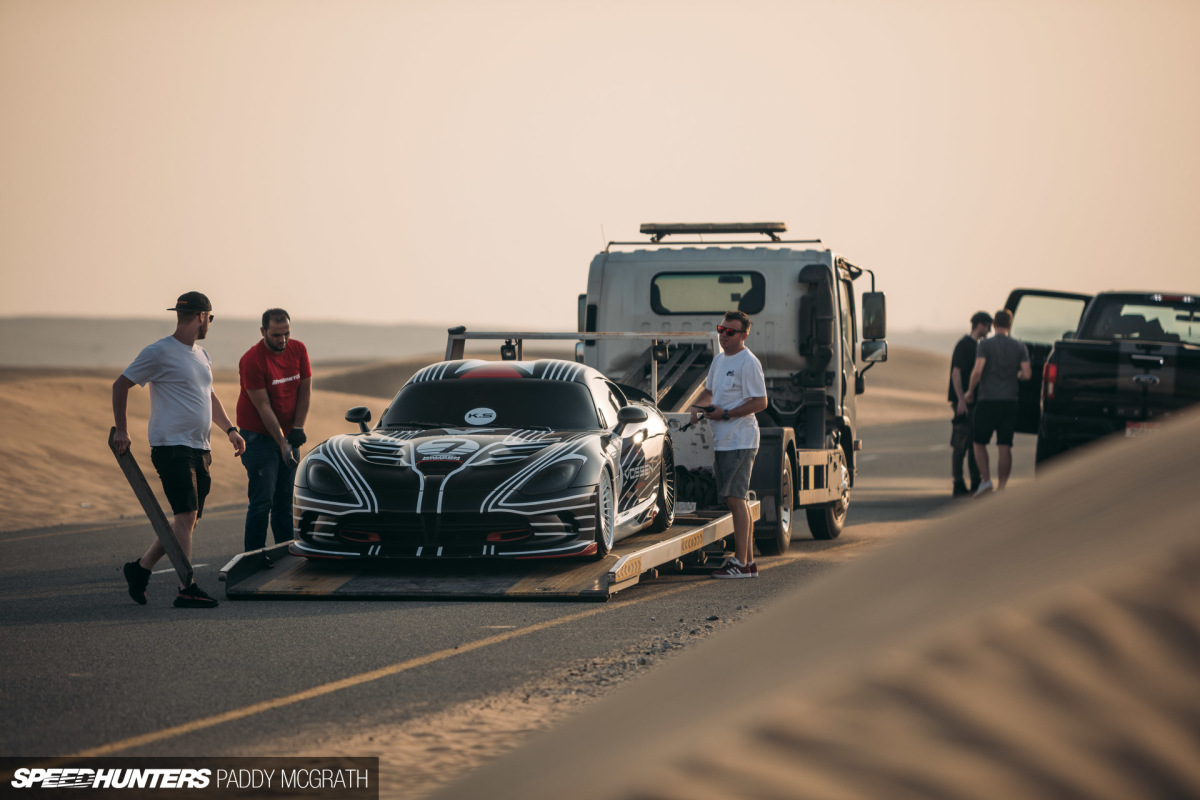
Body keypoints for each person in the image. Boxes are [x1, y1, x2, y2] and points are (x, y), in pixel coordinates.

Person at [113, 292, 246, 608]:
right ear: (201, 316)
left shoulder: (201, 355)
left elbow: (209, 396)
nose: (209, 323)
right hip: (171, 445)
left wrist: (230, 429)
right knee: (185, 515)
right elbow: (120, 385)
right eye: (210, 318)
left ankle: (140, 569)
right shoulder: (159, 352)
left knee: (189, 520)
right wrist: (122, 429)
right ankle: (187, 588)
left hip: (200, 446)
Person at [689, 311, 768, 579]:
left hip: (740, 439)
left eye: (730, 332)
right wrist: (696, 407)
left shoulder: (749, 362)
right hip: (723, 441)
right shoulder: (719, 360)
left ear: (744, 335)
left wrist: (727, 414)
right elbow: (709, 391)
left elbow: (761, 401)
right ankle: (749, 563)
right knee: (737, 500)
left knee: (736, 499)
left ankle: (740, 563)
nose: (723, 335)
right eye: (721, 329)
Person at [236, 308, 312, 554]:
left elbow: (304, 391)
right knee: (263, 501)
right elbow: (263, 407)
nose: (283, 339)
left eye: (286, 333)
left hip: (289, 434)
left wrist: (297, 428)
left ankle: (285, 554)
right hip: (258, 436)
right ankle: (253, 557)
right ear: (263, 332)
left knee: (284, 500)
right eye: (276, 335)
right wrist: (282, 443)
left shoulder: (298, 350)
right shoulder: (252, 360)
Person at [964, 308, 1031, 496]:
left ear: (994, 324)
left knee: (979, 442)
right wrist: (1016, 375)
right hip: (1010, 401)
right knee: (1004, 445)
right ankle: (1002, 488)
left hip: (988, 400)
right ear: (1010, 324)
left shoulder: (985, 345)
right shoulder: (1019, 346)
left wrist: (970, 391)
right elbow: (1027, 374)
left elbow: (978, 371)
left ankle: (986, 480)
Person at [949, 311, 992, 496]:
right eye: (987, 326)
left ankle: (976, 481)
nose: (989, 330)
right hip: (964, 403)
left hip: (975, 402)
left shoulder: (979, 346)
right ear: (979, 325)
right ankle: (958, 483)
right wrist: (961, 400)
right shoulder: (964, 345)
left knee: (975, 443)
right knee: (960, 444)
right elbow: (956, 373)